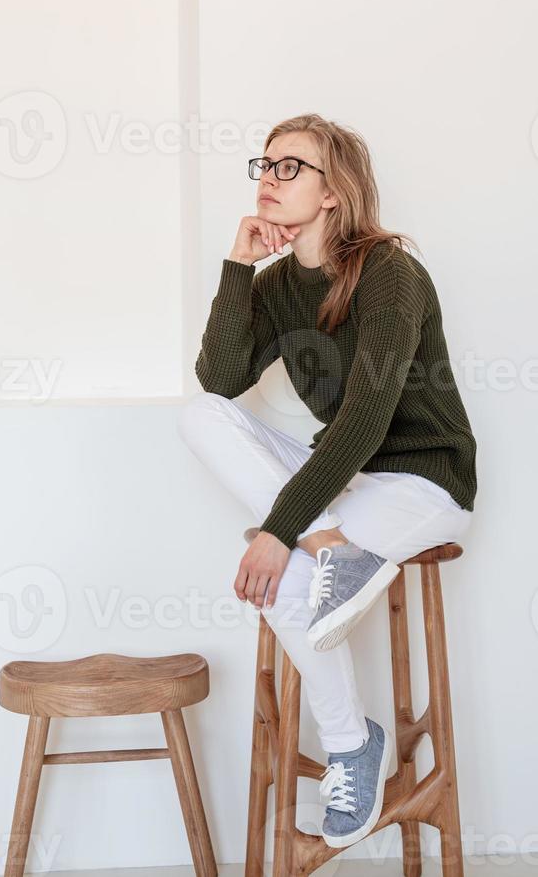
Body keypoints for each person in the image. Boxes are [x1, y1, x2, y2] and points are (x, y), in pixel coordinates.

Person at [177, 112, 477, 849]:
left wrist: (279, 531)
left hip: (421, 482)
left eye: (290, 167)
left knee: (284, 575)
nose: (269, 180)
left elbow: (371, 419)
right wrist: (237, 268)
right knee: (200, 417)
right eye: (265, 165)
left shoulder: (389, 272)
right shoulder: (278, 285)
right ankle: (356, 740)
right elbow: (219, 380)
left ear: (333, 191)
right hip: (350, 484)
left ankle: (347, 744)